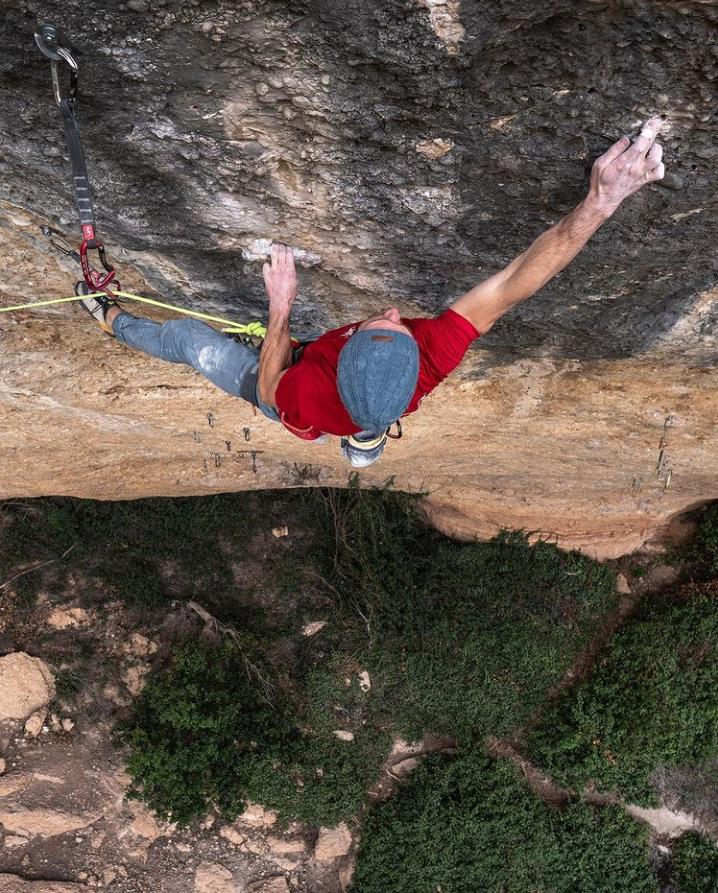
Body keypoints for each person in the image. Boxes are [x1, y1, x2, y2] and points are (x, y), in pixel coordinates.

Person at [80, 116, 665, 467]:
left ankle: (110, 319)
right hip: (322, 372)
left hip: (278, 381)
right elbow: (515, 284)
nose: (392, 310)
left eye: (374, 323)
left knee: (189, 340)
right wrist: (600, 202)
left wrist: (281, 306)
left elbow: (267, 385)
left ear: (343, 359)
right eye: (399, 325)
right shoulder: (429, 359)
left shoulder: (307, 401)